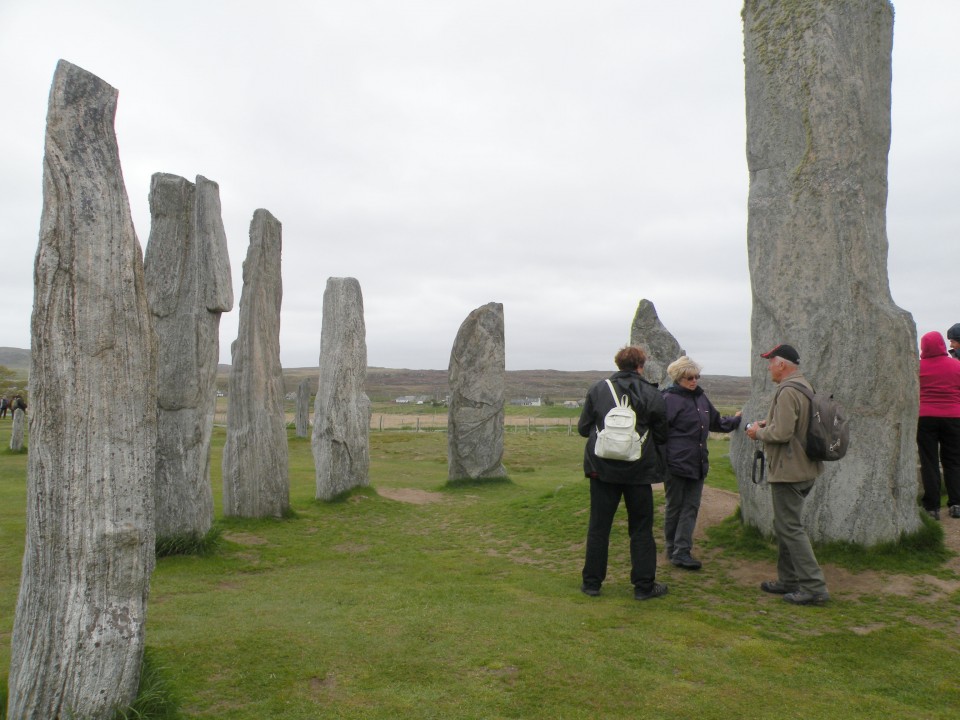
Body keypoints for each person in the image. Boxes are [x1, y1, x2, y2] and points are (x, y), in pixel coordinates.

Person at [578, 345, 670, 601]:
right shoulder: (652, 394)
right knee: (641, 528)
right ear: (641, 365)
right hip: (638, 471)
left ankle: (592, 583)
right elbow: (662, 434)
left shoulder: (598, 389)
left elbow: (584, 428)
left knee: (599, 527)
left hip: (601, 469)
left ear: (618, 364)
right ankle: (643, 585)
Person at [744, 344, 829, 606]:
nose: (769, 367)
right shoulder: (804, 386)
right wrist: (766, 424)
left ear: (781, 364)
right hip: (805, 468)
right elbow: (792, 426)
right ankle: (788, 580)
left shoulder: (787, 390)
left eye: (770, 362)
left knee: (790, 528)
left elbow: (781, 435)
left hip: (789, 471)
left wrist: (756, 432)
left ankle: (814, 587)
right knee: (785, 525)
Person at [661, 356, 742, 570]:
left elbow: (716, 422)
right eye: (690, 377)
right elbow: (659, 433)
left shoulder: (701, 398)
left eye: (697, 376)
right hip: (675, 464)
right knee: (675, 507)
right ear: (679, 378)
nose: (694, 380)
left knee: (691, 507)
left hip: (697, 463)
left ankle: (681, 551)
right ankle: (672, 548)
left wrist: (738, 420)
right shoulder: (669, 400)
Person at [916, 330, 960, 520]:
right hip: (954, 417)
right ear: (943, 345)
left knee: (929, 461)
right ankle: (956, 504)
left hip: (925, 417)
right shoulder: (956, 365)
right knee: (953, 461)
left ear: (923, 346)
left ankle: (932, 507)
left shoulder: (917, 367)